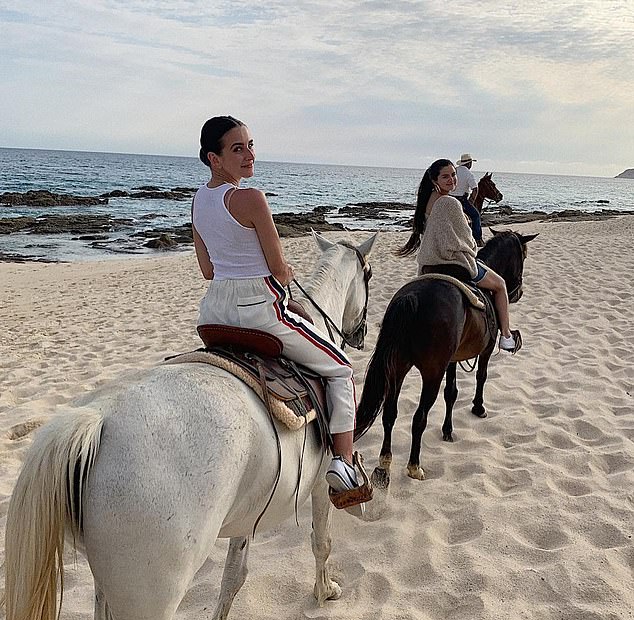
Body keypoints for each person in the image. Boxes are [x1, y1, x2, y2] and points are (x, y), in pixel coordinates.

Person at [192, 115, 363, 493]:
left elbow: (207, 270)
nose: (250, 154)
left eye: (251, 145)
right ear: (214, 158)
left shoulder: (198, 202)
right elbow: (278, 269)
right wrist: (284, 273)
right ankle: (345, 463)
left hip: (214, 314)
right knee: (341, 369)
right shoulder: (251, 198)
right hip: (259, 313)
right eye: (238, 148)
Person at [397, 159, 519, 352]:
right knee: (500, 285)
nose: (452, 179)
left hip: (429, 265)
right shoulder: (450, 202)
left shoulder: (428, 199)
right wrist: (471, 246)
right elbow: (465, 239)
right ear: (435, 179)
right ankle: (505, 336)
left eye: (453, 175)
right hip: (453, 262)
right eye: (445, 176)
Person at [450, 153, 483, 246]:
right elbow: (475, 189)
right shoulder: (468, 174)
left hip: (449, 198)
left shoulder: (454, 170)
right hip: (461, 200)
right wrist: (471, 202)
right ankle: (477, 239)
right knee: (476, 216)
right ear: (469, 164)